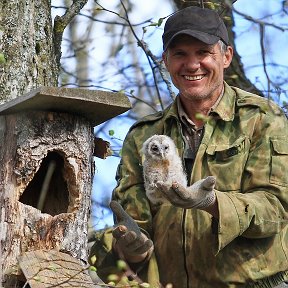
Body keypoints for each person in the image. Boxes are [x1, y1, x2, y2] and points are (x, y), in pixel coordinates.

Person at [90, 6, 288, 288]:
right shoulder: (145, 136)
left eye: (203, 53)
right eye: (180, 54)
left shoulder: (263, 119)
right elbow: (135, 226)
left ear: (226, 57)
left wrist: (213, 203)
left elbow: (277, 209)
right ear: (166, 61)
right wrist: (133, 249)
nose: (192, 64)